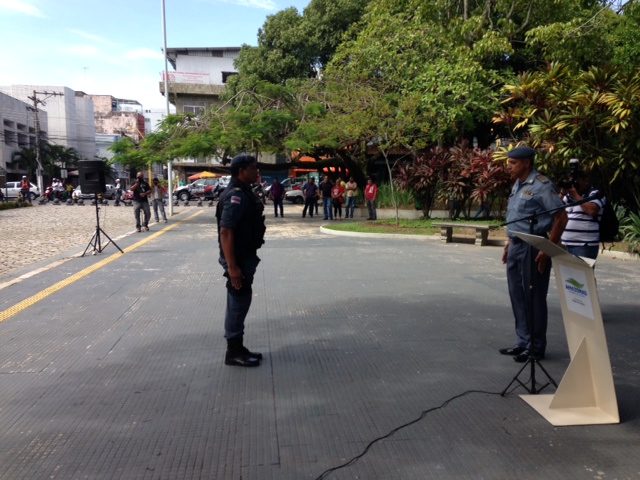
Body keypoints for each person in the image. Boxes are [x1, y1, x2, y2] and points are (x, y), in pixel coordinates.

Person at [500, 146, 568, 363]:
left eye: (513, 163)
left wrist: (548, 248)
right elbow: (516, 217)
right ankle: (523, 342)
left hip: (534, 246)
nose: (509, 167)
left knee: (533, 297)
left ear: (527, 163)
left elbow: (561, 218)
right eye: (509, 163)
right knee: (517, 296)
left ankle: (536, 347)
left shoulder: (541, 185)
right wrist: (509, 242)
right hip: (516, 245)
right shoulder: (518, 184)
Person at [216, 154, 266, 367]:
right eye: (253, 168)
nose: (256, 172)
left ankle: (238, 346)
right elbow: (226, 231)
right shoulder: (235, 195)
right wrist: (233, 267)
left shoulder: (244, 191)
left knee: (241, 301)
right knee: (237, 302)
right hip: (238, 260)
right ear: (241, 171)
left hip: (244, 256)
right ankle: (233, 351)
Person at [560, 170, 603, 260]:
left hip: (584, 244)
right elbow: (555, 208)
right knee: (566, 270)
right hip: (566, 243)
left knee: (581, 270)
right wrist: (562, 193)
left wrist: (575, 195)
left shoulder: (594, 194)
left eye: (576, 181)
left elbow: (592, 210)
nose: (573, 184)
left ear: (585, 181)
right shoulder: (568, 196)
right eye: (571, 180)